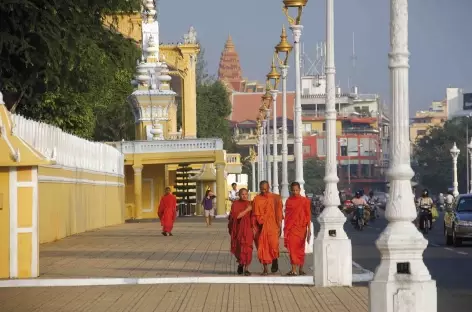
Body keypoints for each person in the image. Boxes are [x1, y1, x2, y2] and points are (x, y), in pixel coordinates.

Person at [252, 180, 281, 275]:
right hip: (261, 227)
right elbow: (255, 214)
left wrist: (280, 226)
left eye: (265, 188)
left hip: (272, 226)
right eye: (262, 189)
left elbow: (279, 213)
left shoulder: (275, 198)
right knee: (262, 247)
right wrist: (255, 227)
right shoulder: (257, 199)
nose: (263, 190)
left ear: (269, 187)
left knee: (273, 245)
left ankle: (275, 259)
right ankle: (265, 269)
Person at [284, 182, 311, 276]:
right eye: (293, 190)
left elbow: (308, 216)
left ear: (300, 190)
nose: (295, 192)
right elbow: (287, 215)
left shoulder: (305, 201)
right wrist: (286, 228)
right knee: (292, 249)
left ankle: (301, 269)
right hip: (291, 228)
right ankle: (293, 269)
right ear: (291, 190)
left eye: (297, 190)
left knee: (300, 249)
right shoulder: (289, 201)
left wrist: (309, 231)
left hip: (301, 228)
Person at [228, 188, 254, 276]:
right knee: (239, 248)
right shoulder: (235, 204)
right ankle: (240, 264)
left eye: (246, 194)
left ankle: (246, 269)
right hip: (239, 230)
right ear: (239, 195)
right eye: (242, 194)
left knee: (248, 248)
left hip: (248, 230)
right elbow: (237, 216)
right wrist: (247, 210)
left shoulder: (250, 204)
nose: (244, 196)